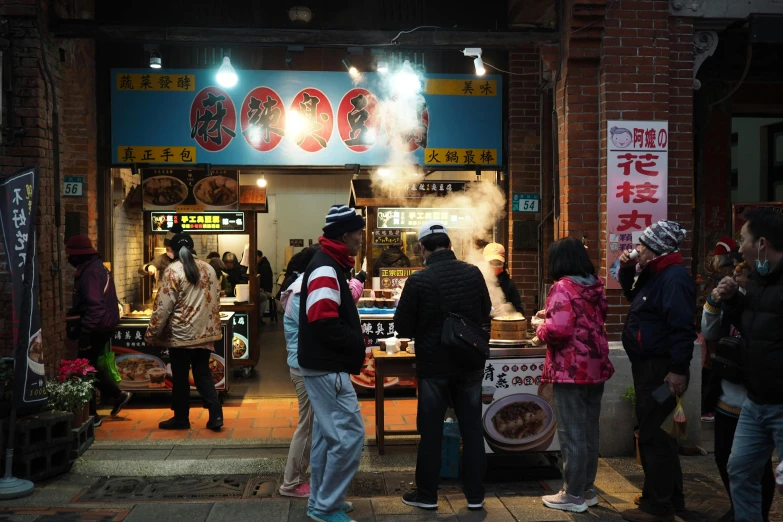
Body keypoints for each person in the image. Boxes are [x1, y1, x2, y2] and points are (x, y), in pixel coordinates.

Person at [394, 221, 492, 512]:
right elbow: (485, 309)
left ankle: (427, 495)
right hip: (469, 363)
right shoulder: (473, 273)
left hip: (434, 367)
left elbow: (402, 326)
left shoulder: (419, 281)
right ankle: (475, 495)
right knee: (472, 428)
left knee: (431, 430)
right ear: (450, 246)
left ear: (422, 248)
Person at [617, 220, 695, 522]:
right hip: (649, 368)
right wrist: (625, 270)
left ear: (657, 249)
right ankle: (669, 497)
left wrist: (677, 371)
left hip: (661, 371)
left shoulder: (673, 278)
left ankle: (658, 506)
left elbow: (681, 329)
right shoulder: (655, 275)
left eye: (643, 246)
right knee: (660, 431)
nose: (638, 250)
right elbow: (631, 297)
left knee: (652, 433)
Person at [712, 209, 783, 522]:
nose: (739, 248)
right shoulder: (758, 280)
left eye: (743, 240)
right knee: (739, 469)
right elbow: (756, 326)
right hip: (755, 402)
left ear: (763, 243)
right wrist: (732, 301)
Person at [297, 204, 367, 522]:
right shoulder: (326, 267)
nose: (361, 238)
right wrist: (356, 342)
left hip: (322, 365)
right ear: (344, 234)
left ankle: (320, 500)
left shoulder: (331, 264)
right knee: (349, 437)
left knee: (329, 438)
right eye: (358, 232)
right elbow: (322, 320)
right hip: (328, 367)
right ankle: (326, 507)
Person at [536, 237, 614, 513]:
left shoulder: (562, 287)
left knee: (571, 433)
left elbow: (558, 331)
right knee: (590, 429)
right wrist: (551, 313)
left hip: (571, 369)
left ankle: (572, 494)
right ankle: (588, 489)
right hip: (596, 365)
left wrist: (540, 327)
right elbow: (594, 317)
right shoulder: (594, 284)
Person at [701, 259, 775, 522]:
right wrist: (714, 299)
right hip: (726, 396)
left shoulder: (762, 307)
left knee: (757, 466)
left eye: (744, 274)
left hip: (755, 399)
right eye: (736, 273)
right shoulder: (731, 302)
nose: (737, 277)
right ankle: (739, 507)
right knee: (725, 459)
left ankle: (757, 514)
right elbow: (708, 331)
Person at [145, 233, 224, 431]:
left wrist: (152, 334)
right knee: (203, 374)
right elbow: (216, 301)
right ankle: (216, 416)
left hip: (180, 336)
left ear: (171, 250)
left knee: (180, 377)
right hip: (205, 333)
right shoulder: (209, 269)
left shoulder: (173, 270)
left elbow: (163, 307)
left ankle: (181, 418)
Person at [65, 235, 132, 426]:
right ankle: (116, 396)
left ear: (79, 255)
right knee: (90, 365)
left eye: (71, 255)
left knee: (86, 368)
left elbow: (95, 306)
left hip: (97, 327)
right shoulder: (94, 267)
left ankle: (92, 414)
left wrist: (86, 331)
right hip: (102, 324)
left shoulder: (92, 272)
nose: (69, 258)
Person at [701, 237, 741, 423]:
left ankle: (709, 408)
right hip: (731, 399)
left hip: (741, 394)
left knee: (711, 366)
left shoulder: (724, 280)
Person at [483, 242, 524, 315]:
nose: (495, 266)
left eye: (498, 263)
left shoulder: (509, 284)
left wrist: (511, 308)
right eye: (491, 263)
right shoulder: (477, 282)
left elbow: (520, 312)